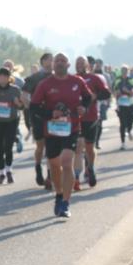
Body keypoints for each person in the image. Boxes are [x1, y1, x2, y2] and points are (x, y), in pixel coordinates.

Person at [30, 52, 94, 218]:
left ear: (68, 65)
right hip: (51, 130)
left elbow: (88, 98)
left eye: (63, 61)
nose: (59, 63)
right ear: (53, 65)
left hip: (71, 129)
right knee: (54, 166)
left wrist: (84, 108)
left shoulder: (77, 81)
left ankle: (65, 202)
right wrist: (51, 113)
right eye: (56, 61)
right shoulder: (45, 84)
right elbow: (34, 106)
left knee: (67, 162)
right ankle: (58, 194)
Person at [75, 56, 112, 188]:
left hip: (91, 117)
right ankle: (76, 177)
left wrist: (95, 96)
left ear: (88, 65)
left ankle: (90, 168)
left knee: (89, 148)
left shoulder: (95, 78)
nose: (79, 65)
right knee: (79, 146)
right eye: (77, 63)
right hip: (76, 119)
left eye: (82, 63)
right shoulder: (72, 79)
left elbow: (107, 93)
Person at [23, 53, 52, 187]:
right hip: (38, 117)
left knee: (52, 147)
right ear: (42, 62)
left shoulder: (58, 77)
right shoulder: (34, 78)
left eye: (52, 60)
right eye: (48, 60)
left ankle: (51, 175)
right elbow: (24, 97)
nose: (51, 62)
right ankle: (38, 167)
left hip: (54, 117)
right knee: (41, 146)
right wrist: (34, 108)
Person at [114, 65, 133, 149]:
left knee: (130, 121)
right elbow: (113, 89)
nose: (124, 72)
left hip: (130, 103)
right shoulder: (118, 80)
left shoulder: (132, 80)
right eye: (123, 70)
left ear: (128, 71)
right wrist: (116, 93)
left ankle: (129, 131)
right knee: (122, 123)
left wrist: (131, 92)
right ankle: (123, 143)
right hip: (121, 104)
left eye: (126, 70)